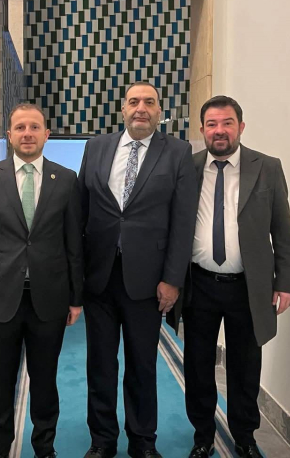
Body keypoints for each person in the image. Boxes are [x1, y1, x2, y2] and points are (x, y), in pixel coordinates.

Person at [78, 82, 197, 458]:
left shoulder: (177, 152)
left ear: (160, 111)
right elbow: (81, 210)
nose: (140, 108)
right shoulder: (96, 147)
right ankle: (102, 440)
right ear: (123, 109)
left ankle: (143, 441)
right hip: (99, 277)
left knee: (142, 365)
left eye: (149, 102)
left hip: (148, 281)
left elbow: (183, 222)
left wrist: (172, 279)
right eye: (133, 101)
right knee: (100, 365)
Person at [176, 95, 290, 458]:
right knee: (198, 364)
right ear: (202, 130)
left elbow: (282, 229)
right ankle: (202, 436)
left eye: (227, 123)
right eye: (212, 124)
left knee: (245, 366)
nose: (220, 131)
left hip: (248, 286)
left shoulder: (267, 168)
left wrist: (285, 282)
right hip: (199, 283)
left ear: (241, 127)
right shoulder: (188, 167)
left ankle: (244, 437)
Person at [0, 103, 84, 458]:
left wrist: (76, 297)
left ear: (47, 134)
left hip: (49, 298)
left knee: (45, 383)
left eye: (34, 127)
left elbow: (74, 242)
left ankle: (44, 449)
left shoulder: (66, 179)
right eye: (20, 127)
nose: (27, 134)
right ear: (10, 135)